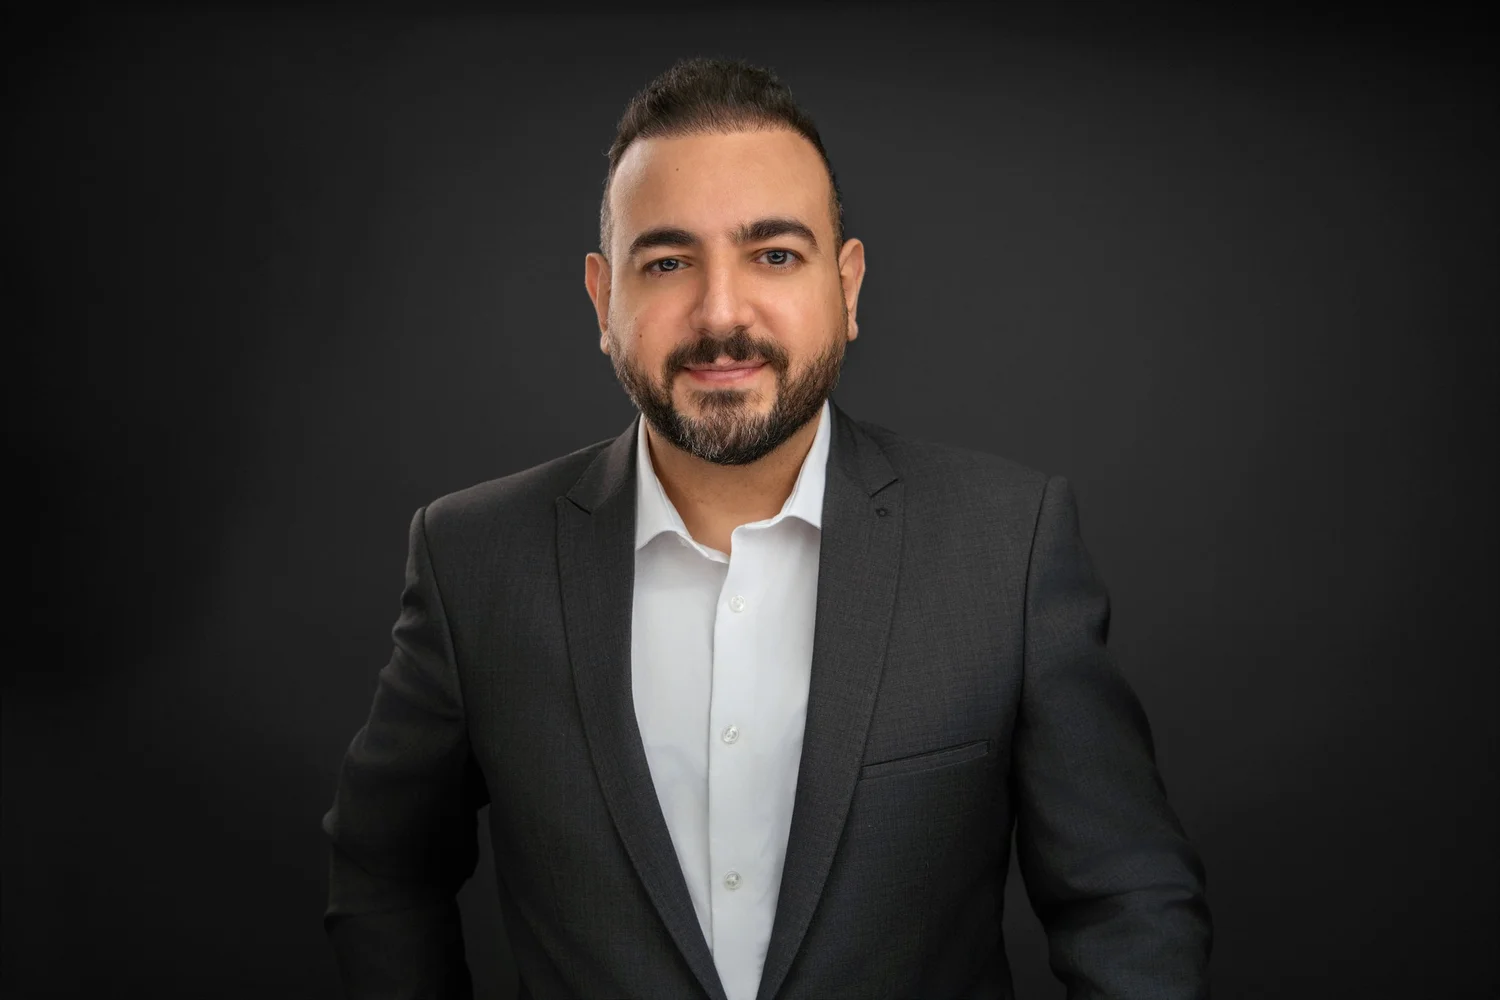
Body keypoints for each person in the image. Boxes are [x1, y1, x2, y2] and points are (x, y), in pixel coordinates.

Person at [322, 56, 1212, 1000]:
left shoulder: (1007, 547)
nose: (721, 313)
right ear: (602, 299)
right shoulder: (472, 562)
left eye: (774, 255)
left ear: (848, 285)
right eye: (668, 263)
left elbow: (1126, 902)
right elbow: (384, 873)